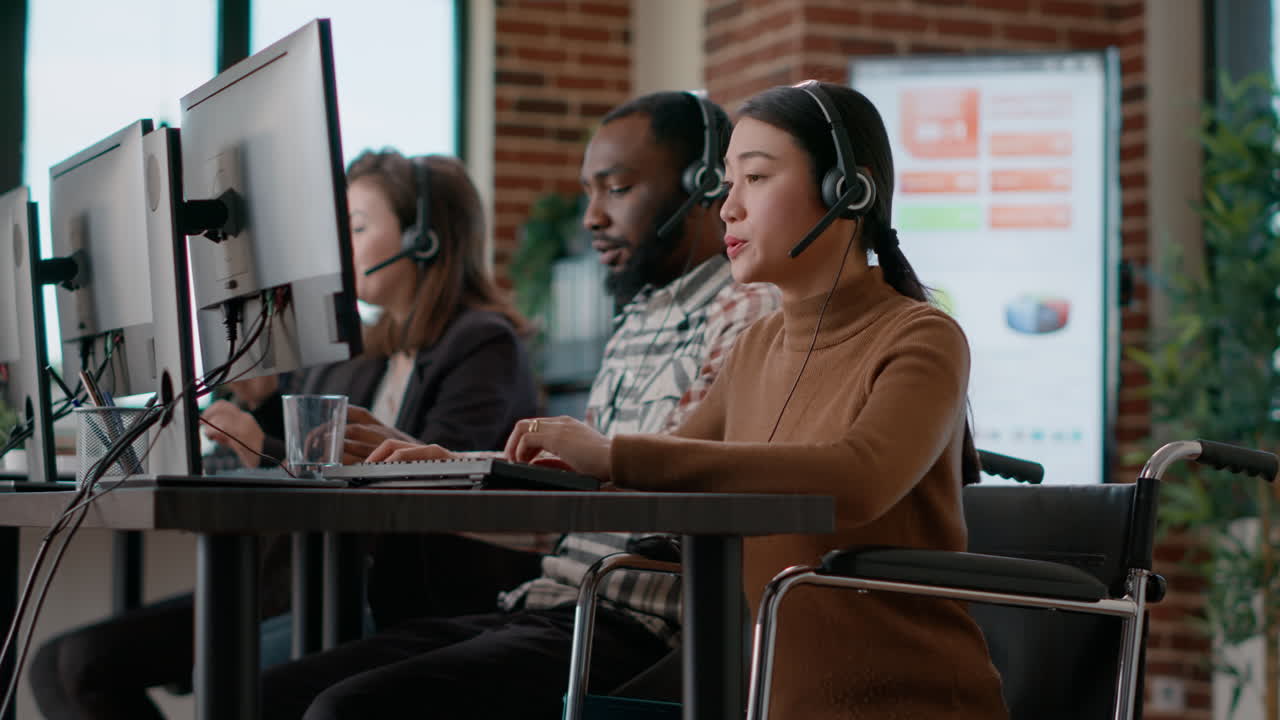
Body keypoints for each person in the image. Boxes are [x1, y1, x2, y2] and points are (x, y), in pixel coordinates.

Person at [258, 91, 780, 720]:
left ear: (703, 187)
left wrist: (459, 475)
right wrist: (440, 468)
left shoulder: (745, 316)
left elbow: (667, 502)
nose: (590, 217)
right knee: (265, 694)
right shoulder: (641, 317)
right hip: (548, 601)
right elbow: (572, 507)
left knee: (345, 708)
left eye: (615, 189)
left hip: (637, 626)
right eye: (588, 192)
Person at [498, 81, 1010, 718]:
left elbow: (857, 478)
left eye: (756, 179)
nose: (727, 208)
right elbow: (658, 479)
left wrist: (613, 453)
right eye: (725, 183)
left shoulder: (923, 337)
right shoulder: (758, 344)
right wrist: (477, 469)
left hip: (914, 703)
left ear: (847, 189)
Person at [28, 150, 542, 720]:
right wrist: (262, 404)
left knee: (199, 676)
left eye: (359, 227)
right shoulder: (367, 353)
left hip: (408, 596)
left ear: (424, 238)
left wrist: (262, 442)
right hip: (310, 581)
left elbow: (438, 479)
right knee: (62, 663)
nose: (341, 247)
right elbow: (309, 441)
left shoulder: (481, 342)